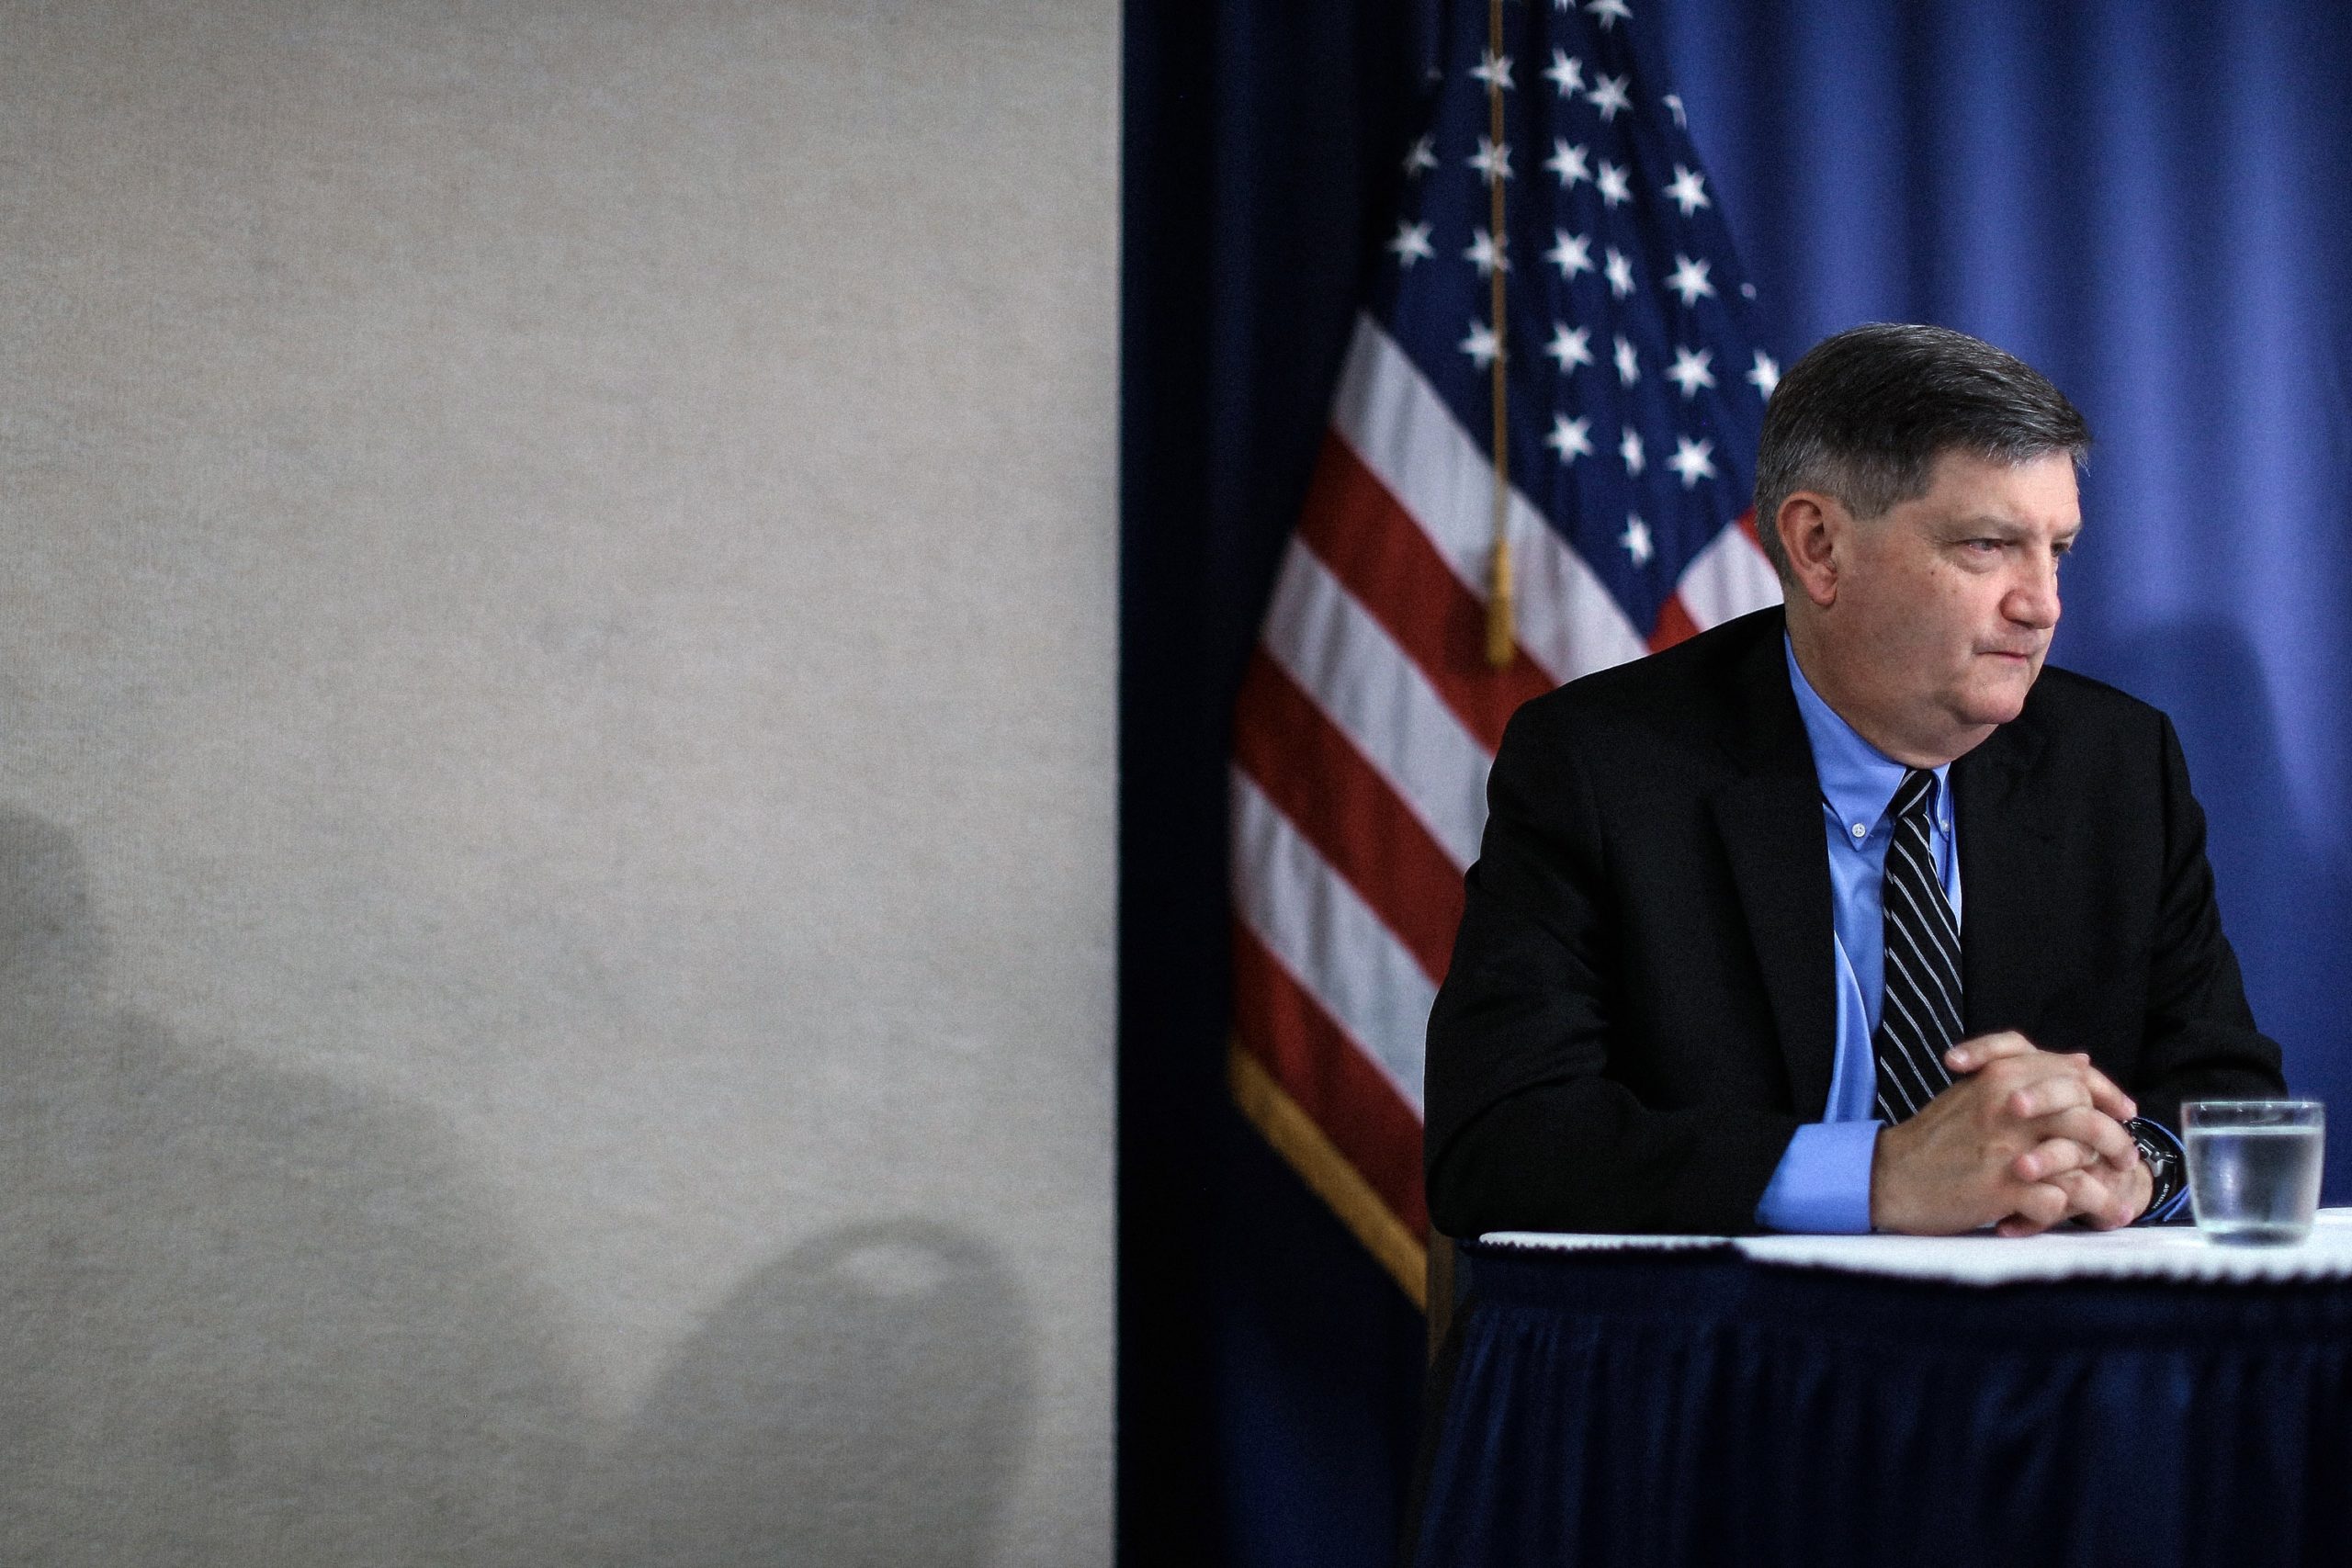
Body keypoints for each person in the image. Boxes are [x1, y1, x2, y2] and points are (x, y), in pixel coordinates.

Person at [1422, 322, 2288, 1238]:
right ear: (1819, 546)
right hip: (1725, 1361)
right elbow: (1499, 1142)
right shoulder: (1604, 767)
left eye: (2057, 550)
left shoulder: (2114, 764)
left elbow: (2224, 1095)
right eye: (1987, 547)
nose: (2041, 605)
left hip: (2033, 1365)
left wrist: (2134, 1168)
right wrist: (1875, 1177)